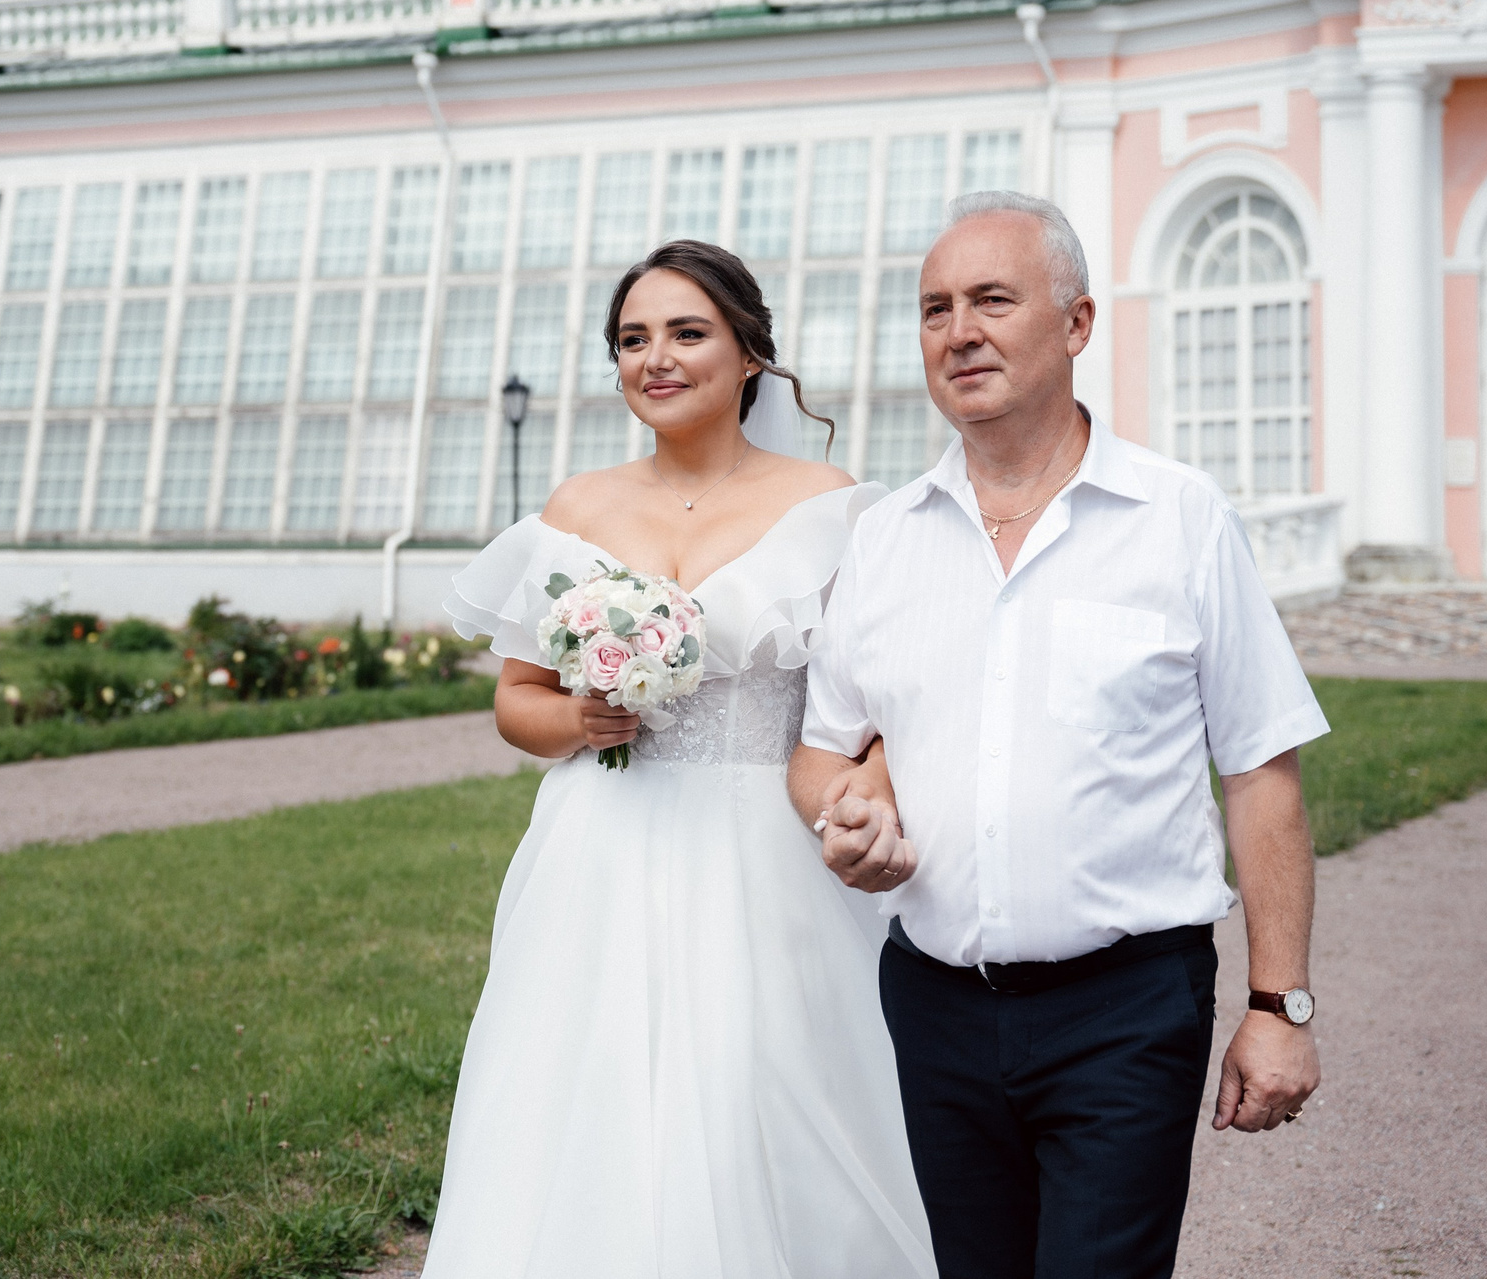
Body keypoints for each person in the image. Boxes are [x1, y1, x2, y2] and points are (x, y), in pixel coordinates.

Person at [791, 190, 1329, 1279]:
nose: (959, 331)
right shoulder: (886, 538)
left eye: (993, 298)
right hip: (933, 1003)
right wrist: (846, 814)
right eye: (935, 307)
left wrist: (1279, 1003)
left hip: (1123, 1006)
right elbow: (820, 750)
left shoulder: (1176, 516)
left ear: (1076, 323)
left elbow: (1262, 767)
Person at [427, 239, 935, 1279]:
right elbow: (515, 700)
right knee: (585, 1096)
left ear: (750, 352)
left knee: (762, 1086)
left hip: (766, 857)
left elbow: (883, 703)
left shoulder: (833, 505)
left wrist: (866, 787)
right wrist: (581, 722)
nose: (655, 357)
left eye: (686, 331)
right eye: (631, 338)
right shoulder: (577, 507)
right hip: (596, 852)